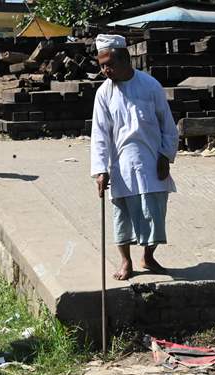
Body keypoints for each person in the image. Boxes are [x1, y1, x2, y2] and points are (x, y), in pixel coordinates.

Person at [90, 34, 179, 281]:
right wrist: (100, 169)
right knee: (122, 216)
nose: (105, 70)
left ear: (125, 59)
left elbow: (168, 126)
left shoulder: (150, 86)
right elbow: (100, 134)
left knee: (155, 213)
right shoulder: (104, 93)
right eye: (101, 65)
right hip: (121, 164)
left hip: (152, 161)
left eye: (109, 64)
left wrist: (165, 155)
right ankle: (126, 261)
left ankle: (148, 257)